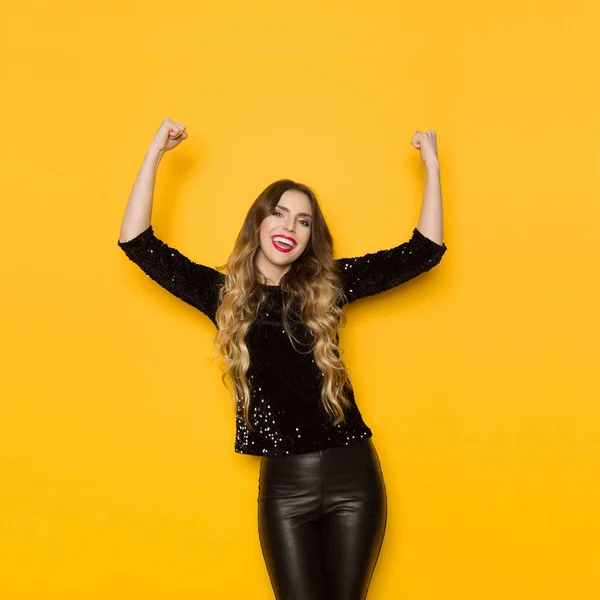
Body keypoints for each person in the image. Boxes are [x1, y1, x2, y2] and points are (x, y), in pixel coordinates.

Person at [117, 118, 447, 600]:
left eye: (303, 220)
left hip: (354, 477)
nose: (289, 227)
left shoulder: (328, 286)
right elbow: (137, 243)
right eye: (278, 214)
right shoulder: (223, 295)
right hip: (285, 488)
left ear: (311, 236)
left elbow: (424, 251)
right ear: (258, 222)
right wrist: (154, 154)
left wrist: (432, 163)